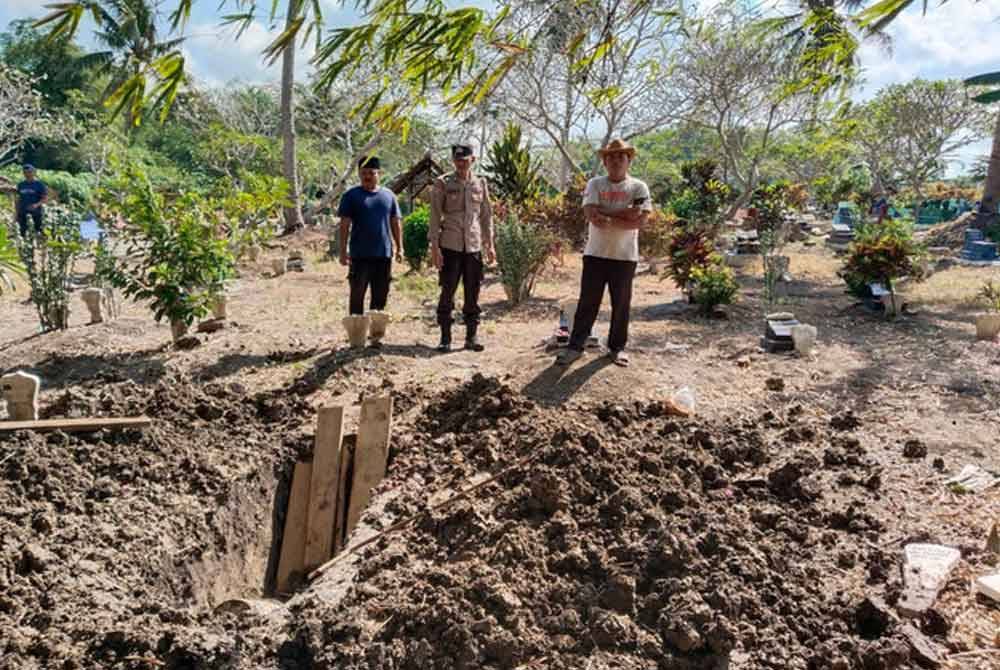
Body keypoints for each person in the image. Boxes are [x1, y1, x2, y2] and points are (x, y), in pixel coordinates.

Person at [556, 138, 651, 368]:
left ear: (629, 160)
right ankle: (575, 347)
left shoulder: (639, 187)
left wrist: (608, 214)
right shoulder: (595, 184)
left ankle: (616, 349)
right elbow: (592, 216)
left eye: (621, 156)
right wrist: (624, 213)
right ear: (605, 161)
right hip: (595, 254)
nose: (616, 160)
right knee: (588, 302)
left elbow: (640, 221)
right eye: (611, 157)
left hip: (625, 256)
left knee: (621, 305)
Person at [429, 143, 494, 352]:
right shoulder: (443, 183)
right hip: (451, 246)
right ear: (453, 160)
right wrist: (435, 248)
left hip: (473, 247)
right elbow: (435, 216)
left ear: (472, 160)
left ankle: (471, 337)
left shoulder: (480, 183)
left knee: (473, 292)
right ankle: (445, 338)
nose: (461, 163)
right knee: (447, 291)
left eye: (465, 160)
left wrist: (489, 244)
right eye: (457, 160)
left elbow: (486, 216)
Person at [337, 156, 403, 344]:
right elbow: (344, 225)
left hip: (383, 254)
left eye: (371, 173)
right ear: (359, 174)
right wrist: (343, 251)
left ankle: (376, 335)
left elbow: (395, 222)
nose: (367, 176)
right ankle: (356, 336)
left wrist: (400, 248)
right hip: (359, 255)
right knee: (357, 293)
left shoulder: (389, 196)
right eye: (364, 173)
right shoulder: (351, 196)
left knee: (380, 294)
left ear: (378, 174)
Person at [15, 164, 48, 238]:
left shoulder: (39, 185)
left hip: (35, 212)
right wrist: (16, 213)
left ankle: (37, 246)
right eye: (25, 172)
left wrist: (36, 205)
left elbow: (45, 198)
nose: (27, 174)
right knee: (22, 232)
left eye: (29, 172)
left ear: (34, 172)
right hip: (23, 211)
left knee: (38, 230)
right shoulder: (21, 185)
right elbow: (18, 199)